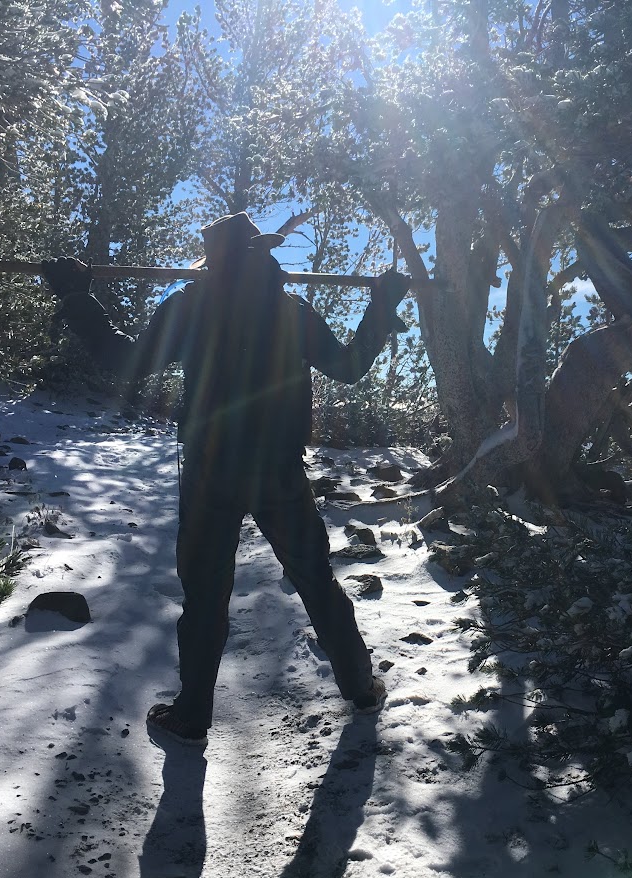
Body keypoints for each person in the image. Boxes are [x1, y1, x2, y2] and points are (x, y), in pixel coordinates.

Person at [41, 212, 411, 746]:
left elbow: (124, 361)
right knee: (313, 576)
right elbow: (350, 366)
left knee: (205, 591)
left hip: (210, 466)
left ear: (216, 261)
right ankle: (360, 688)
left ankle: (192, 716)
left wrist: (77, 298)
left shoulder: (192, 306)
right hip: (277, 468)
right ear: (261, 256)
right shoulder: (290, 310)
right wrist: (383, 302)